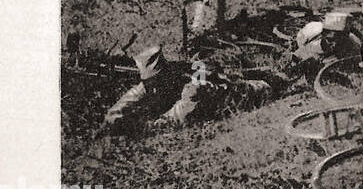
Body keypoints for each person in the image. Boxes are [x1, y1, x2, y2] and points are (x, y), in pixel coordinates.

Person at [98, 44, 290, 135]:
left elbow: (174, 120)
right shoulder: (166, 75)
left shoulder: (191, 88)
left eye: (152, 81)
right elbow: (138, 92)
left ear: (161, 77)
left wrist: (140, 128)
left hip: (250, 94)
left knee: (278, 82)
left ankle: (287, 76)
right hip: (227, 85)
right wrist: (111, 118)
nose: (147, 86)